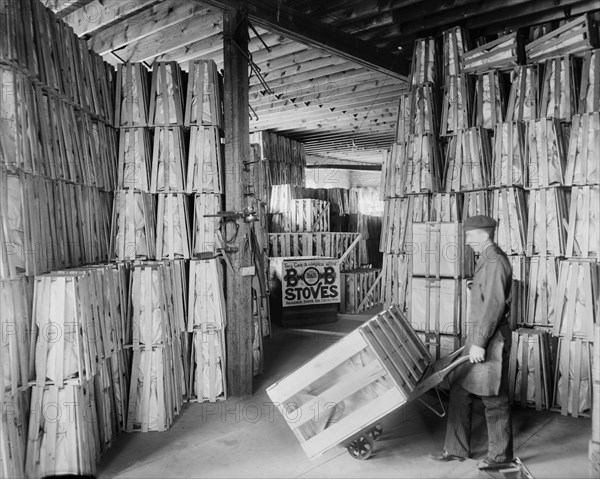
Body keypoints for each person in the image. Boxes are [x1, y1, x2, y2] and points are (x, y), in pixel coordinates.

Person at [429, 215, 514, 470]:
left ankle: (500, 458)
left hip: (490, 338)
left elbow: (494, 306)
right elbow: (488, 295)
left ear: (483, 235)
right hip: (480, 335)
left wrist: (479, 343)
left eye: (469, 235)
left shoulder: (495, 260)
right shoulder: (487, 259)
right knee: (460, 389)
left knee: (494, 398)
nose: (467, 241)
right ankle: (456, 449)